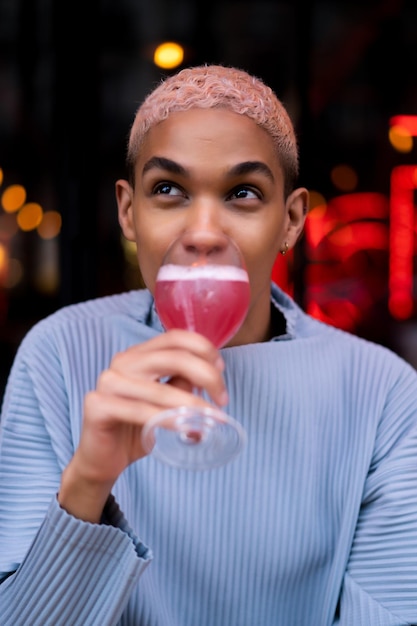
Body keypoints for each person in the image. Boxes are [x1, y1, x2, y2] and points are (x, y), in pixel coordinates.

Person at [0, 64, 416, 626]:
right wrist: (89, 483)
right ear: (129, 211)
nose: (202, 232)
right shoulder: (59, 354)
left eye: (243, 193)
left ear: (291, 221)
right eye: (167, 189)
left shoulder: (383, 393)